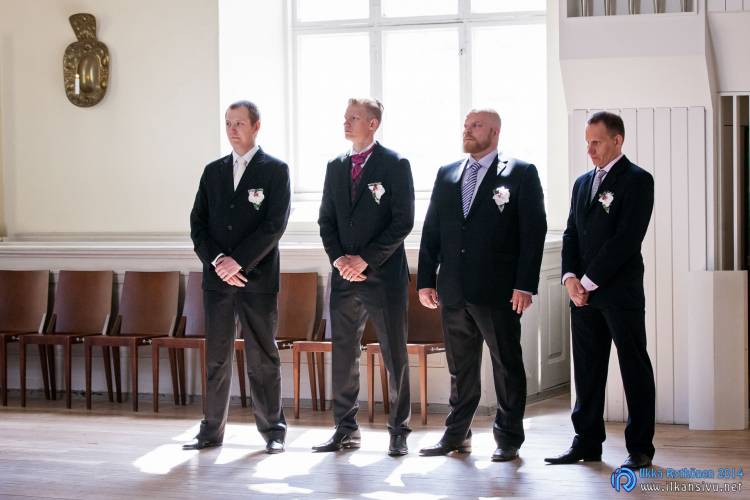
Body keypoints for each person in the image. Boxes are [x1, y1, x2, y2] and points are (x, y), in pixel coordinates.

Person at [417, 108, 547, 462]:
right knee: (460, 368)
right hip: (453, 289)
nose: (468, 130)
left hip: (498, 290)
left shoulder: (520, 173)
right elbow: (432, 229)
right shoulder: (447, 173)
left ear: (495, 131)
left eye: (476, 125)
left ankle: (508, 438)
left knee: (506, 365)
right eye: (466, 125)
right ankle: (457, 435)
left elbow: (533, 233)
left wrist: (525, 285)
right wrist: (426, 279)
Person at [545, 111, 655, 470]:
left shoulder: (638, 180)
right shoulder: (582, 183)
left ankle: (640, 448)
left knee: (633, 366)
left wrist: (588, 281)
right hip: (582, 296)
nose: (590, 150)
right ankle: (587, 442)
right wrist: (569, 278)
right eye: (587, 142)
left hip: (619, 294)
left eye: (596, 142)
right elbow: (571, 233)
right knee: (587, 370)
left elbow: (626, 239)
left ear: (617, 140)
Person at [186, 100, 291, 454]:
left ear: (256, 126)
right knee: (216, 357)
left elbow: (274, 226)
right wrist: (219, 261)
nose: (232, 130)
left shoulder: (275, 170)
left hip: (256, 280)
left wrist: (239, 263)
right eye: (228, 123)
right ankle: (210, 430)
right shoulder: (212, 171)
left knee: (262, 357)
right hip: (217, 281)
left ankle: (273, 431)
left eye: (239, 123)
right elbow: (198, 224)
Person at [316, 98, 415, 456]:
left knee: (394, 354)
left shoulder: (395, 164)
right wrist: (339, 259)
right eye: (345, 117)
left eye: (354, 117)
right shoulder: (335, 166)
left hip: (383, 276)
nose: (346, 122)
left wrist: (366, 260)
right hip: (344, 276)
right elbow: (326, 219)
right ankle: (345, 429)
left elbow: (403, 221)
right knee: (344, 354)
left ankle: (399, 430)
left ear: (372, 124)